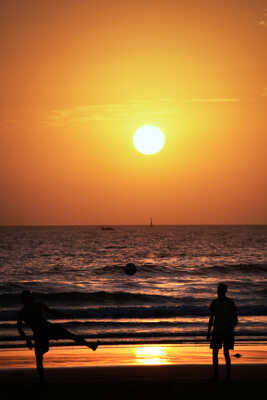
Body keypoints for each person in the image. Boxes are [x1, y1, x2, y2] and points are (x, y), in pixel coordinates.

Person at [17, 290, 99, 383]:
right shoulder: (37, 305)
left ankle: (42, 380)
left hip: (39, 333)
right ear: (30, 298)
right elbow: (52, 312)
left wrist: (27, 340)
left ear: (23, 300)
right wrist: (65, 315)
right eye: (30, 296)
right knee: (71, 336)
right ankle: (91, 345)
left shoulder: (22, 312)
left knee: (39, 358)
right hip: (49, 328)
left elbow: (20, 329)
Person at [207, 283, 238, 382]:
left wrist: (231, 328)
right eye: (218, 290)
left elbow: (235, 318)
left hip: (226, 331)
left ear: (224, 291)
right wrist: (208, 331)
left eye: (220, 290)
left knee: (225, 353)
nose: (218, 291)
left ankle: (227, 376)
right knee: (216, 353)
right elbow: (211, 318)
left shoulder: (230, 302)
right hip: (217, 331)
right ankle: (217, 376)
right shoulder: (215, 302)